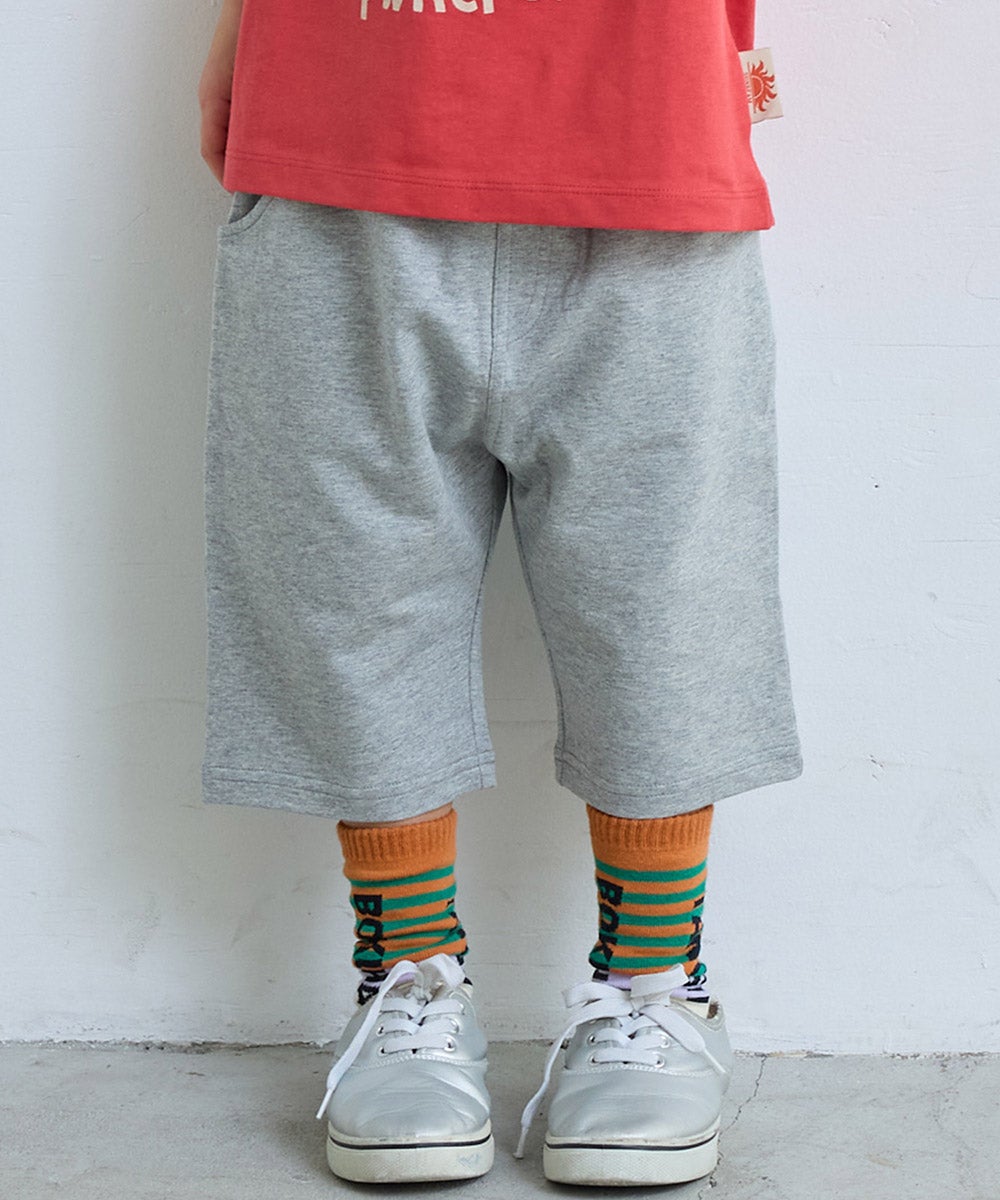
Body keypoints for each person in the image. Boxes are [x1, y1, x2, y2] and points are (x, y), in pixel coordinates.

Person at [197, 0, 803, 1187]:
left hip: (647, 127)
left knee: (661, 599)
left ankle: (656, 986)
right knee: (347, 585)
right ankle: (406, 978)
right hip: (342, 93)